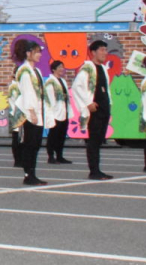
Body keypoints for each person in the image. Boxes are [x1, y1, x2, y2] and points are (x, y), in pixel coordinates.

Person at [72, 40, 114, 180]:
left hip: (103, 109)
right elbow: (77, 86)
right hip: (94, 111)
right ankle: (94, 171)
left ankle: (98, 169)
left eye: (105, 50)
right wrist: (88, 103)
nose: (104, 53)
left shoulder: (102, 68)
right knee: (93, 141)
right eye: (101, 50)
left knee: (99, 140)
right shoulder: (87, 69)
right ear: (93, 52)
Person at [11, 40, 49, 186]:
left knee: (36, 144)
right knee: (30, 144)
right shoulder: (25, 71)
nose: (39, 54)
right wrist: (31, 112)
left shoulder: (36, 71)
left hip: (38, 111)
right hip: (29, 112)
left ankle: (32, 173)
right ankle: (28, 174)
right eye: (37, 51)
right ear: (28, 53)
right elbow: (27, 93)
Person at [44, 61, 71, 164]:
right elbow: (50, 100)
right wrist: (51, 114)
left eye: (62, 67)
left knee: (61, 135)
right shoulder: (50, 82)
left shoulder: (62, 81)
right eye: (59, 67)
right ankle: (51, 156)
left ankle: (60, 155)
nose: (61, 69)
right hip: (55, 113)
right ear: (54, 69)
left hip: (64, 112)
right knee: (53, 136)